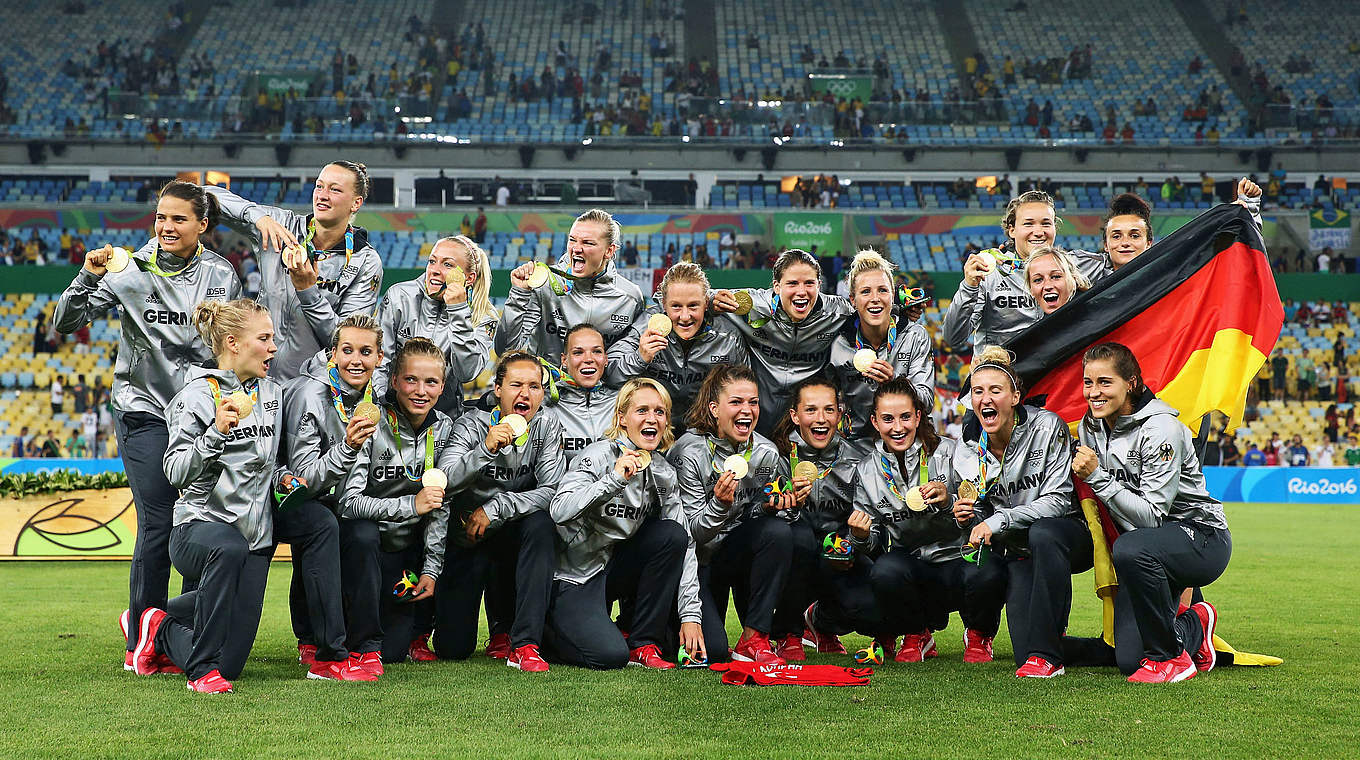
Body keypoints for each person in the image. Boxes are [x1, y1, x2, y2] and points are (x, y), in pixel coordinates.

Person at [54, 180, 241, 668]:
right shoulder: (129, 268)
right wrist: (87, 275)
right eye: (160, 217)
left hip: (201, 417)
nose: (166, 227)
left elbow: (229, 348)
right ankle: (144, 635)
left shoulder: (222, 276)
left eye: (179, 218)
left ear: (203, 226)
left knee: (200, 522)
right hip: (144, 410)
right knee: (158, 523)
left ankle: (180, 627)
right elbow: (64, 322)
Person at [131, 299, 291, 694]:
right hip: (198, 530)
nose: (274, 348)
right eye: (265, 339)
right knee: (228, 549)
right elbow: (175, 471)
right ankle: (200, 671)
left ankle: (157, 623)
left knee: (232, 663)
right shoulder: (197, 396)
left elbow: (273, 460)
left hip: (255, 539)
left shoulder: (273, 393)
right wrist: (215, 434)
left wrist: (286, 478)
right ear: (233, 343)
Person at [1070, 342, 1230, 682]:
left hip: (1201, 537)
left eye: (1104, 382)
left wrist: (1096, 475)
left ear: (1130, 383)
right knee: (1129, 658)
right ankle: (1195, 624)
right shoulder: (1090, 425)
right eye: (1088, 382)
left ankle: (1172, 660)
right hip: (1146, 550)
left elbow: (1151, 517)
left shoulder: (1161, 428)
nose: (1093, 393)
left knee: (1131, 546)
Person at [544, 378, 703, 669]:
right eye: (642, 410)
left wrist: (690, 616)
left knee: (673, 535)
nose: (652, 418)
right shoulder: (597, 456)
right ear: (622, 418)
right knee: (609, 656)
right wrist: (614, 480)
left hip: (614, 570)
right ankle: (549, 630)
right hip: (576, 577)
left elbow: (686, 542)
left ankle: (644, 643)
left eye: (660, 411)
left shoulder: (663, 471)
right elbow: (559, 510)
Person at [843, 378, 1005, 663]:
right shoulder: (867, 471)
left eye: (906, 417)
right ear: (875, 421)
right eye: (888, 419)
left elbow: (985, 516)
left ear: (918, 417)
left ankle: (979, 633)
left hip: (960, 561)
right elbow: (876, 543)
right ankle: (916, 633)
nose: (898, 427)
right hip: (916, 567)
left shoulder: (952, 452)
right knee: (885, 570)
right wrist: (860, 536)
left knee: (988, 566)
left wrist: (950, 503)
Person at [430, 351, 566, 672]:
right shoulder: (471, 425)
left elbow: (552, 491)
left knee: (542, 524)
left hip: (513, 535)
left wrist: (497, 507)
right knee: (452, 647)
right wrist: (486, 450)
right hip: (469, 538)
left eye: (534, 386)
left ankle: (525, 643)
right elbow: (443, 482)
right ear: (497, 389)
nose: (525, 394)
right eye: (516, 384)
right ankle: (493, 627)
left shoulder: (546, 425)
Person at [947, 346, 1075, 677]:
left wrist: (998, 520)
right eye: (978, 391)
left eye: (995, 390)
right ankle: (1103, 651)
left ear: (1016, 395)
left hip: (1056, 541)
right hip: (1014, 550)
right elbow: (980, 514)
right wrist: (967, 517)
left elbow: (1059, 500)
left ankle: (1050, 648)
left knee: (1043, 533)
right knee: (1026, 651)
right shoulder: (967, 450)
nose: (985, 399)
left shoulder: (1046, 427)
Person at [337, 338, 460, 666]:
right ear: (394, 381)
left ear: (442, 386)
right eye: (411, 380)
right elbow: (348, 503)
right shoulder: (373, 423)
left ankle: (414, 628)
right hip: (365, 550)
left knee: (392, 653)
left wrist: (431, 571)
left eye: (431, 382)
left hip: (405, 554)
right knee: (362, 533)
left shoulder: (445, 429)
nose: (421, 391)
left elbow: (440, 506)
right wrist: (411, 505)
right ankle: (350, 638)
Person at [279, 315, 385, 679]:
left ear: (380, 358)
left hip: (348, 499)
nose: (357, 360)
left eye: (366, 352)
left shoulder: (379, 395)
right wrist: (349, 446)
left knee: (365, 534)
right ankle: (315, 641)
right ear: (332, 355)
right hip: (300, 499)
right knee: (321, 526)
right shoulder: (310, 395)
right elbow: (304, 477)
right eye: (348, 350)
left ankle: (366, 645)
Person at [207, 161, 384, 379]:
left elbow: (348, 342)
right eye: (319, 186)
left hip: (310, 386)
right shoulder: (281, 225)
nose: (322, 195)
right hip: (256, 377)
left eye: (335, 189)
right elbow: (199, 195)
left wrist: (308, 291)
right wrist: (257, 217)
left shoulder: (365, 261)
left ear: (356, 203)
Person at [668, 365, 797, 664]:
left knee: (778, 532)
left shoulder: (765, 452)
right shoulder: (689, 452)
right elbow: (689, 534)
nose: (747, 410)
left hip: (733, 557)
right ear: (714, 408)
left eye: (753, 402)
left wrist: (769, 507)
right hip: (695, 563)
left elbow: (756, 519)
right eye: (736, 402)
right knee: (712, 652)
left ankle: (755, 638)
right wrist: (719, 506)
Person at [769, 376, 873, 659]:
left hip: (836, 556)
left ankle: (820, 622)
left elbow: (866, 516)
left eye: (829, 410)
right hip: (792, 556)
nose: (821, 418)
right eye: (811, 410)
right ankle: (786, 633)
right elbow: (759, 516)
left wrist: (853, 542)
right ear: (795, 415)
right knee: (798, 540)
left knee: (865, 605)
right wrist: (783, 503)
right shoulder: (775, 454)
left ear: (840, 414)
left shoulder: (856, 457)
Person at [711, 249, 856, 434]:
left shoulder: (837, 312)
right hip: (753, 420)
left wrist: (902, 311)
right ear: (776, 286)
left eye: (809, 283)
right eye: (792, 283)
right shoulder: (750, 304)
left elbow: (874, 308)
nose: (801, 292)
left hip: (802, 428)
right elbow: (692, 297)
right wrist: (709, 301)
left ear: (819, 284)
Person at [606, 263, 749, 430]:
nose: (685, 316)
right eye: (676, 306)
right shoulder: (646, 328)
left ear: (706, 303)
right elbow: (609, 375)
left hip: (705, 433)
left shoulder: (728, 338)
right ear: (663, 304)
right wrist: (639, 358)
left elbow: (746, 392)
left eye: (693, 305)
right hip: (654, 431)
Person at [498, 209, 645, 367]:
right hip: (550, 389)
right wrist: (519, 294)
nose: (576, 248)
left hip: (603, 392)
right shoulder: (545, 284)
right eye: (572, 240)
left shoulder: (630, 298)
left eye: (587, 243)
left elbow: (628, 358)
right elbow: (506, 350)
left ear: (609, 251)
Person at [373, 235, 496, 417]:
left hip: (445, 420)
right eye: (432, 261)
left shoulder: (485, 317)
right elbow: (380, 361)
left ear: (469, 278)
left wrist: (458, 310)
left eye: (448, 265)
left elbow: (466, 372)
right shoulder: (399, 297)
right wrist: (383, 407)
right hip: (392, 413)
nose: (435, 270)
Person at [828, 251, 935, 440]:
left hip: (907, 442)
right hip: (856, 446)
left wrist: (894, 383)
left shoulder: (914, 336)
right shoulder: (839, 345)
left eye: (883, 290)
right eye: (865, 291)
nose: (875, 298)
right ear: (853, 300)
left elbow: (926, 402)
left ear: (893, 296)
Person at [544, 324, 618, 461]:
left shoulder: (623, 402)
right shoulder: (545, 402)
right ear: (564, 360)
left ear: (606, 359)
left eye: (597, 351)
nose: (588, 359)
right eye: (578, 352)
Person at [1025, 246, 1091, 315]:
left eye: (1056, 277)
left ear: (1074, 281)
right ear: (1031, 289)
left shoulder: (1099, 318)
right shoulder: (1041, 325)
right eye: (1038, 280)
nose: (1047, 286)